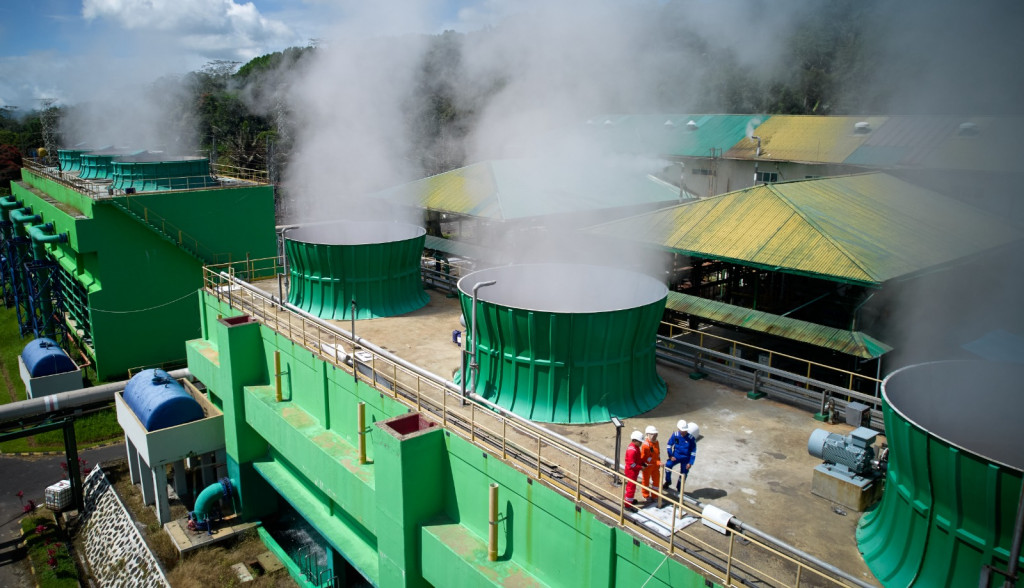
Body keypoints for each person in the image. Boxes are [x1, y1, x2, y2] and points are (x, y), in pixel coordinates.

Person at [664, 419, 697, 492]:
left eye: (685, 430)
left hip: (686, 458)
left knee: (683, 474)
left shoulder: (691, 438)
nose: (684, 432)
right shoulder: (675, 435)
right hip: (676, 456)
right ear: (678, 429)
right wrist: (670, 455)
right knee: (668, 465)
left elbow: (693, 451)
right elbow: (669, 445)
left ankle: (679, 489)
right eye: (682, 430)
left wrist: (690, 462)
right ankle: (668, 481)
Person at [624, 430, 644, 507]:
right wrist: (640, 467)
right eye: (640, 442)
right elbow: (631, 464)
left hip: (633, 471)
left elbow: (638, 458)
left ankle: (629, 500)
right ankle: (628, 505)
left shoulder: (635, 447)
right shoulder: (632, 451)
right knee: (631, 488)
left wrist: (642, 463)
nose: (641, 443)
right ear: (635, 440)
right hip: (631, 472)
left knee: (632, 487)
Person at [640, 425, 661, 501]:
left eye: (655, 434)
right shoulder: (645, 445)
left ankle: (655, 495)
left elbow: (658, 453)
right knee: (646, 481)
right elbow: (643, 458)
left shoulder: (656, 443)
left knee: (656, 480)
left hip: (655, 466)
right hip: (647, 466)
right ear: (647, 434)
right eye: (652, 434)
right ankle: (646, 495)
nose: (654, 436)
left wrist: (658, 462)